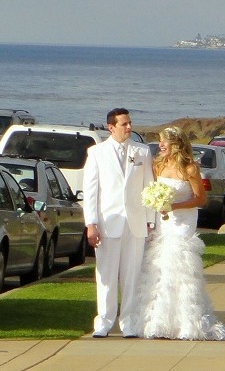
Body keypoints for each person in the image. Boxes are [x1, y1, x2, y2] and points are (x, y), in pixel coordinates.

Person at [133, 125, 225, 340]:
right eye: (160, 141)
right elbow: (152, 190)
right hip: (163, 222)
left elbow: (201, 199)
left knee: (179, 266)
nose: (160, 145)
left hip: (183, 223)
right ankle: (158, 322)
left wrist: (175, 205)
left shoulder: (190, 168)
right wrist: (156, 202)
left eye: (164, 141)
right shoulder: (158, 165)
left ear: (176, 144)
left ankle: (187, 322)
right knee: (159, 267)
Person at [82, 107, 154, 338]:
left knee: (132, 276)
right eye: (124, 124)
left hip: (136, 223)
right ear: (111, 127)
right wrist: (91, 224)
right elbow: (91, 192)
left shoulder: (142, 151)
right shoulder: (97, 153)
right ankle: (103, 321)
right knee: (106, 275)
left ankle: (129, 322)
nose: (129, 127)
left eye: (130, 123)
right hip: (108, 222)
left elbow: (149, 187)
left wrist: (150, 220)